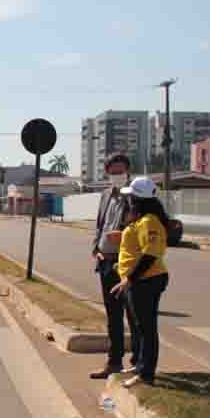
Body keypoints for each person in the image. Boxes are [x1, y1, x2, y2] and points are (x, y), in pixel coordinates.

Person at [112, 177, 170, 388]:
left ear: (138, 199)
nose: (128, 200)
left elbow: (150, 255)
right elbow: (137, 248)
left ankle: (146, 374)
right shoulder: (141, 220)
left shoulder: (149, 222)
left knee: (146, 329)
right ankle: (139, 364)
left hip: (147, 281)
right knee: (138, 327)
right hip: (138, 280)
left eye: (131, 197)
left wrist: (129, 279)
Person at [90, 153, 140, 379]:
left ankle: (138, 362)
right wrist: (96, 249)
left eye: (121, 172)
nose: (117, 176)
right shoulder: (105, 195)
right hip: (105, 262)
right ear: (107, 173)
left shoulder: (136, 195)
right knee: (113, 315)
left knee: (133, 314)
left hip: (126, 263)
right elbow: (100, 225)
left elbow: (140, 227)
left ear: (128, 171)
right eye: (113, 172)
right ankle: (114, 361)